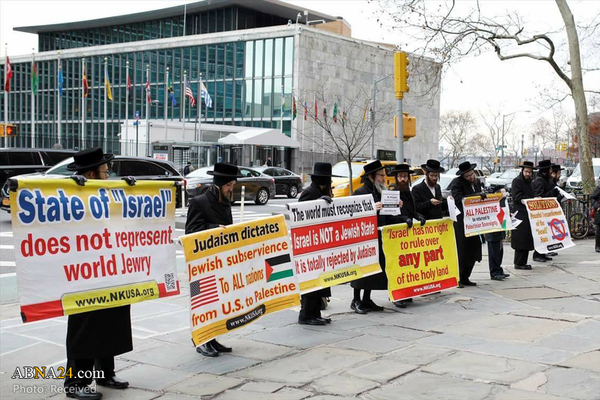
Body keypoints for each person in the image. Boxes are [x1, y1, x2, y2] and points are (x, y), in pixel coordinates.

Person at [64, 148, 131, 400]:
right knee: (85, 326)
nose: (108, 175)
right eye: (104, 172)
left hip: (109, 268)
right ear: (91, 173)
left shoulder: (106, 193)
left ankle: (105, 373)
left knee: (111, 321)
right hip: (83, 273)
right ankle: (75, 382)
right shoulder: (69, 194)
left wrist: (130, 190)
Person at [185, 162, 240, 357]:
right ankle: (201, 340)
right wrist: (213, 229)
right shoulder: (199, 202)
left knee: (217, 303)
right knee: (202, 303)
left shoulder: (226, 201)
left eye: (232, 185)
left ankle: (213, 337)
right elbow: (190, 232)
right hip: (201, 265)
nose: (231, 189)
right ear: (219, 184)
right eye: (229, 185)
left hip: (219, 263)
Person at [350, 160, 402, 314]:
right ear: (371, 177)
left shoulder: (381, 193)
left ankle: (367, 299)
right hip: (364, 239)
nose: (383, 178)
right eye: (380, 175)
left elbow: (389, 216)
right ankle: (356, 300)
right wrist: (371, 209)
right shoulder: (360, 193)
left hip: (379, 236)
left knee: (374, 271)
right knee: (362, 271)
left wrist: (397, 208)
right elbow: (352, 215)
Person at [297, 162, 337, 325]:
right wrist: (319, 202)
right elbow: (300, 214)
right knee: (311, 282)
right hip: (310, 245)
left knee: (320, 281)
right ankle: (306, 314)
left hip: (320, 243)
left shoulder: (318, 191)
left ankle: (315, 313)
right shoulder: (310, 192)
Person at [390, 163, 426, 307]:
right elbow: (390, 214)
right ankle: (396, 296)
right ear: (396, 178)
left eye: (405, 176)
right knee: (397, 267)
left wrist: (419, 216)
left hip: (408, 235)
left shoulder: (409, 192)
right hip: (396, 234)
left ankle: (406, 293)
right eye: (400, 176)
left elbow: (412, 211)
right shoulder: (392, 191)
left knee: (408, 266)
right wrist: (403, 219)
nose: (403, 179)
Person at [449, 161, 484, 287]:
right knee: (462, 250)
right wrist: (475, 196)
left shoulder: (477, 182)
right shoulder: (457, 183)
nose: (471, 177)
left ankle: (466, 276)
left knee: (473, 250)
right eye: (468, 176)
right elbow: (458, 199)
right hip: (462, 221)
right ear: (463, 176)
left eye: (472, 174)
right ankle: (458, 277)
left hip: (474, 221)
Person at [511, 161, 537, 270]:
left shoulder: (530, 182)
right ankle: (518, 262)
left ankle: (523, 262)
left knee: (526, 238)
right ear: (522, 171)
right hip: (520, 212)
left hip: (528, 213)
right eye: (526, 171)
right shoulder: (517, 181)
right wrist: (529, 200)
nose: (528, 174)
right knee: (520, 238)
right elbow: (516, 197)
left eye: (530, 172)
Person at [532, 160, 558, 262]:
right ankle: (537, 254)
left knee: (546, 233)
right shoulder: (540, 180)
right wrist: (552, 192)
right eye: (550, 169)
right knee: (541, 233)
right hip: (541, 212)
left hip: (547, 211)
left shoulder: (546, 179)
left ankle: (542, 252)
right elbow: (539, 196)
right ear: (546, 170)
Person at [485, 189, 510, 281]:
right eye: (501, 192)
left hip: (500, 230)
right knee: (493, 252)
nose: (504, 193)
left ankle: (499, 269)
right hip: (493, 231)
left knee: (499, 252)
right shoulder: (492, 202)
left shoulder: (503, 201)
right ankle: (494, 272)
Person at [592, 177, 600, 253]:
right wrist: (597, 206)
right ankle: (598, 246)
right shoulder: (599, 188)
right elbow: (593, 198)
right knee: (599, 230)